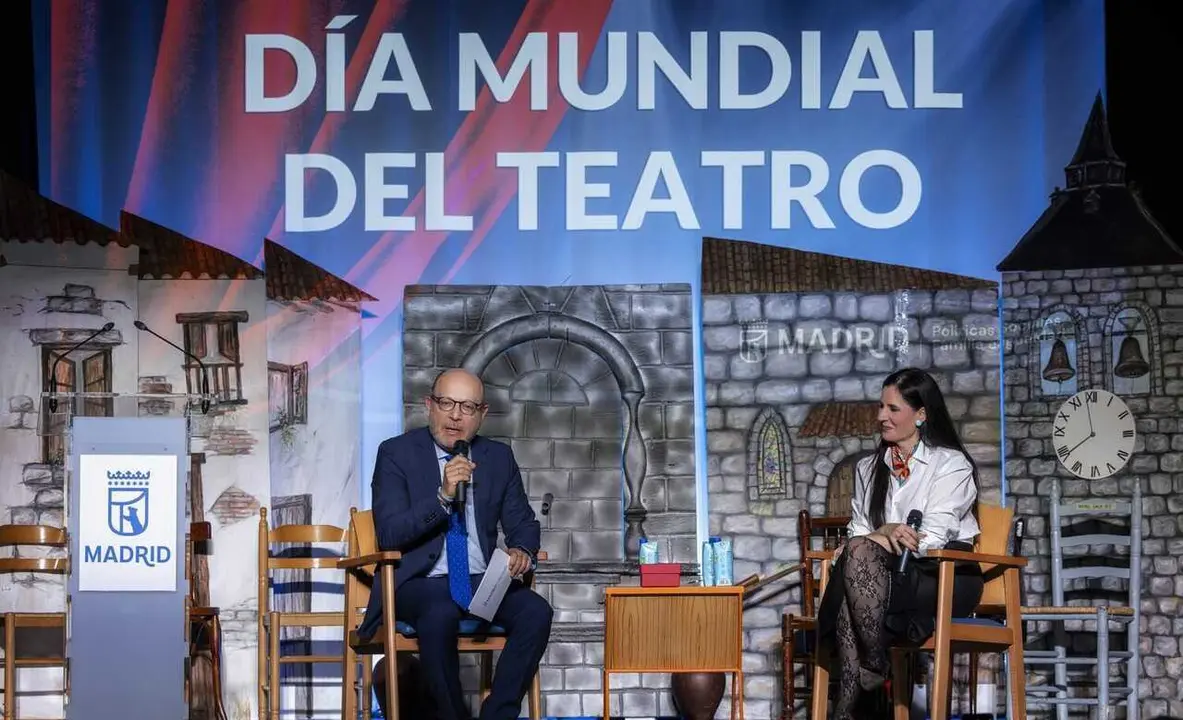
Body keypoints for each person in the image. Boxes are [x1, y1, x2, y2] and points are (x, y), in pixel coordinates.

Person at [359, 368, 553, 720]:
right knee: (440, 611)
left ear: (483, 414)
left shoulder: (498, 457)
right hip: (418, 583)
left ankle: (497, 714)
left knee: (536, 612)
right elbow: (389, 534)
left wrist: (522, 550)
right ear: (429, 405)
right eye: (446, 403)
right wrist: (442, 497)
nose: (455, 415)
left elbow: (522, 522)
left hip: (482, 581)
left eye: (467, 406)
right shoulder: (395, 454)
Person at [815, 367, 985, 719]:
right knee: (857, 571)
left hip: (943, 573)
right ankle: (870, 670)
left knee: (857, 571)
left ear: (921, 414)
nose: (881, 416)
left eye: (892, 409)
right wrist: (886, 532)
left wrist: (880, 537)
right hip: (886, 573)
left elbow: (931, 537)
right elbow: (859, 530)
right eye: (881, 407)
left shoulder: (951, 465)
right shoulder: (867, 468)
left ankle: (859, 688)